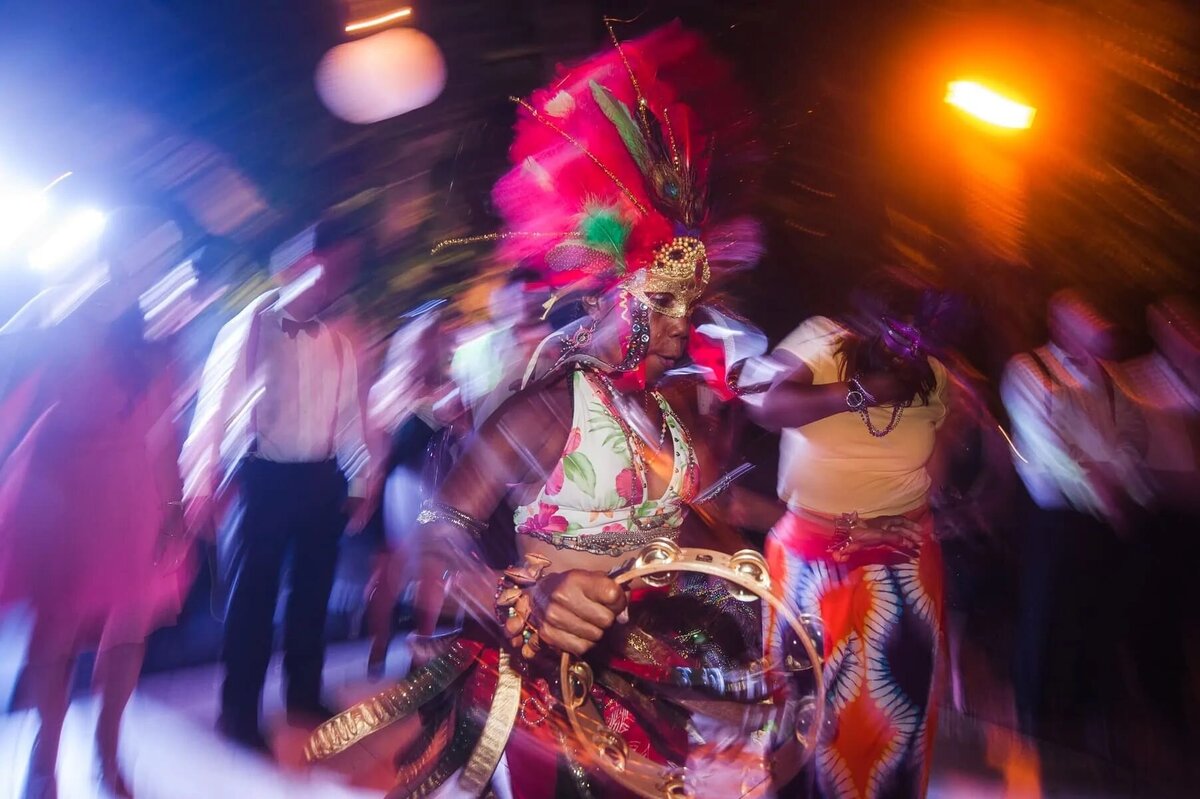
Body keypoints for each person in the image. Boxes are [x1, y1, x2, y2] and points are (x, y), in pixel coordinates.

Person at [306, 22, 777, 797]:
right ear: (612, 299)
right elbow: (440, 528)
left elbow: (684, 518)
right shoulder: (547, 408)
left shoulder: (669, 413)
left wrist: (765, 546)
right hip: (540, 688)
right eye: (659, 307)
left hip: (642, 676)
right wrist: (526, 595)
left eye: (686, 310)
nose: (677, 327)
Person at [0, 208, 192, 799]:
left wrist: (175, 505)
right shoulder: (54, 326)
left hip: (130, 497)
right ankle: (47, 752)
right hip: (61, 496)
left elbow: (162, 435)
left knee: (126, 627)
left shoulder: (152, 349)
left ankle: (107, 753)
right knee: (55, 628)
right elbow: (12, 402)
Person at [742, 281, 952, 799]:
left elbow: (934, 458)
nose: (908, 341)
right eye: (897, 326)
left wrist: (924, 511)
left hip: (902, 570)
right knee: (805, 708)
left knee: (893, 720)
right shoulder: (825, 341)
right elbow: (768, 407)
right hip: (813, 567)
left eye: (921, 334)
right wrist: (865, 392)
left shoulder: (936, 378)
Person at [181, 215, 372, 752]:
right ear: (304, 263)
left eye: (348, 266)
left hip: (321, 480)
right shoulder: (249, 326)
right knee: (253, 603)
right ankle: (238, 713)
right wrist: (201, 479)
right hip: (264, 480)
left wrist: (358, 478)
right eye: (335, 263)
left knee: (312, 598)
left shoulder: (338, 341)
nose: (341, 275)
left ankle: (304, 697)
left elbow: (351, 418)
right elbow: (213, 408)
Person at [1001, 290, 1147, 745]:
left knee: (1094, 618)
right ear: (1059, 323)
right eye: (1082, 317)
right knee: (1046, 618)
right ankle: (1036, 721)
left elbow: (1131, 435)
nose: (1094, 325)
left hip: (1105, 519)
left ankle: (1084, 716)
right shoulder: (1029, 370)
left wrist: (1119, 481)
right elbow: (1046, 446)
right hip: (1056, 518)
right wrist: (1103, 490)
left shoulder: (1111, 378)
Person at [362, 301, 466, 677]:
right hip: (398, 488)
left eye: (436, 340)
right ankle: (378, 642)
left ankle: (419, 648)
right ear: (411, 344)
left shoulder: (450, 388)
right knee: (389, 574)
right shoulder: (388, 389)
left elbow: (466, 436)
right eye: (425, 340)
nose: (431, 348)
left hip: (437, 487)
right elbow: (374, 446)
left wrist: (454, 417)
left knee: (432, 571)